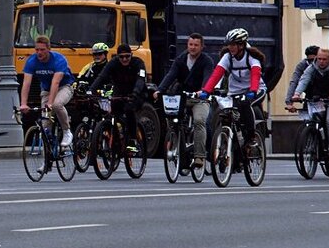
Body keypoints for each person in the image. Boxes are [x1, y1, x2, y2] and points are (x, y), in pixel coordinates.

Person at [200, 28, 267, 151]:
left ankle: (251, 137)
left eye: (233, 44)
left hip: (255, 90)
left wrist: (252, 91)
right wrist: (206, 90)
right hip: (234, 92)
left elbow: (255, 74)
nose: (230, 47)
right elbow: (217, 73)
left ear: (241, 45)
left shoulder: (251, 57)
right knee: (225, 113)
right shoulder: (228, 57)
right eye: (229, 44)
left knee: (246, 104)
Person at [155, 33, 214, 167]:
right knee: (172, 118)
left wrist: (203, 90)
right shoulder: (180, 59)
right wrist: (160, 89)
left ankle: (199, 156)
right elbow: (171, 75)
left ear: (202, 46)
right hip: (182, 97)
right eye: (190, 44)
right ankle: (177, 145)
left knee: (199, 121)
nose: (192, 48)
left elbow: (208, 77)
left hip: (200, 98)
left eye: (196, 45)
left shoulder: (207, 61)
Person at [19, 34, 76, 147]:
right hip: (46, 89)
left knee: (56, 105)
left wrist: (50, 103)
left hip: (64, 86)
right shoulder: (31, 61)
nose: (39, 52)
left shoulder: (59, 60)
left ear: (49, 49)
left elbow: (56, 82)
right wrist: (23, 104)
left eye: (42, 50)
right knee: (45, 127)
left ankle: (66, 131)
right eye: (37, 50)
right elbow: (26, 83)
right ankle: (47, 160)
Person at [92, 43, 148, 153]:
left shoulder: (138, 63)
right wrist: (91, 90)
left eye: (127, 56)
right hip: (119, 92)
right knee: (110, 112)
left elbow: (140, 80)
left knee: (129, 109)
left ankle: (132, 141)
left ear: (131, 55)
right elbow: (102, 77)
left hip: (136, 93)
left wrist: (135, 93)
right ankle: (115, 136)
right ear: (117, 57)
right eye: (121, 57)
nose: (124, 59)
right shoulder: (113, 63)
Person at [292, 47, 329, 159]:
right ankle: (315, 142)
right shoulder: (312, 68)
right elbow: (303, 80)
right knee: (312, 120)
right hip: (318, 100)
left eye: (324, 59)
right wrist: (297, 94)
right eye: (319, 59)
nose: (321, 61)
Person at [284, 45, 320, 112]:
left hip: (327, 94)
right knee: (308, 118)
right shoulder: (302, 65)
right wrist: (289, 102)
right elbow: (294, 82)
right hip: (310, 95)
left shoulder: (328, 64)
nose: (312, 63)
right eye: (310, 60)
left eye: (314, 60)